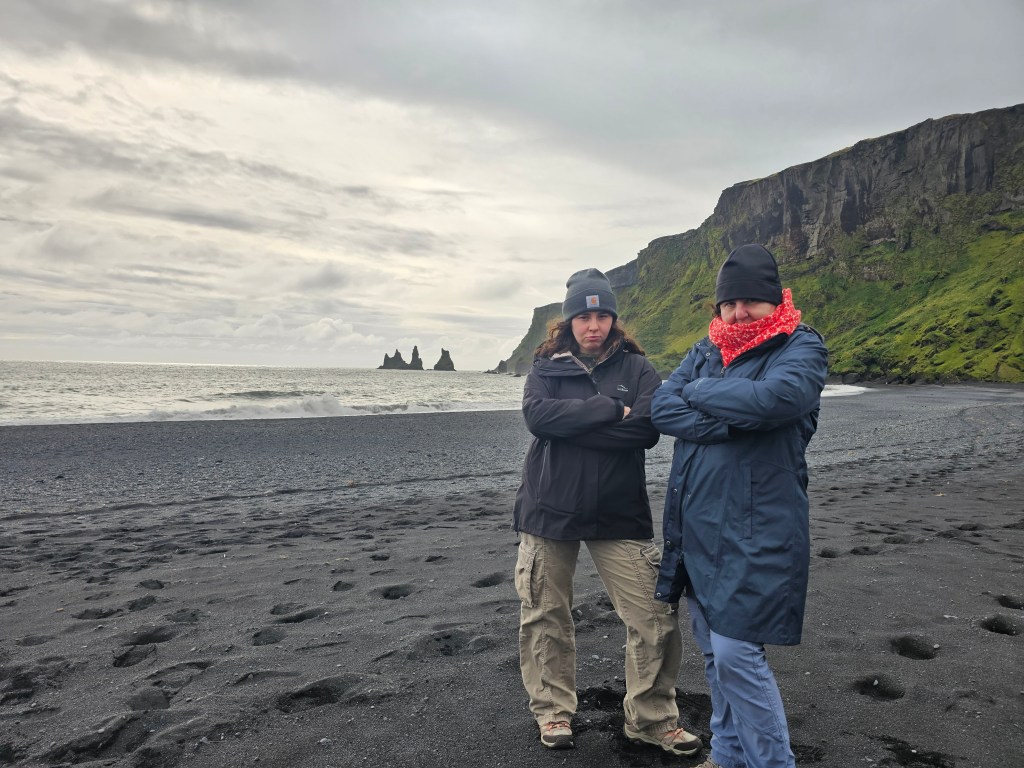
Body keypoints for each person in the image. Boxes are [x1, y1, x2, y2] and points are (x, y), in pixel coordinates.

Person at [650, 244, 828, 768]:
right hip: (698, 526)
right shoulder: (707, 347)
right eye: (728, 304)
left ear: (774, 300)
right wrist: (731, 421)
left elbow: (776, 401)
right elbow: (662, 406)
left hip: (758, 527)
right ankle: (727, 754)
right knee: (714, 651)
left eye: (749, 301)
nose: (737, 313)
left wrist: (702, 390)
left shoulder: (801, 345)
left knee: (737, 655)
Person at [512, 267, 702, 756]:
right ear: (569, 320)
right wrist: (608, 410)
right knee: (545, 614)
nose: (593, 325)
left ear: (614, 319)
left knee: (654, 615)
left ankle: (651, 719)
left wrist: (572, 427)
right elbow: (538, 418)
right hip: (549, 507)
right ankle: (553, 712)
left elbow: (645, 431)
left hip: (618, 510)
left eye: (601, 316)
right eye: (583, 317)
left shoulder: (638, 369)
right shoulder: (546, 366)